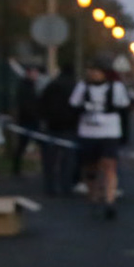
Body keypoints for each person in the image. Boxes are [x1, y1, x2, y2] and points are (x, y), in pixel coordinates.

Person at [69, 63, 133, 220]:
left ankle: (110, 200)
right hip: (88, 132)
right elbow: (73, 104)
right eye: (91, 71)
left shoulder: (116, 87)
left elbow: (124, 106)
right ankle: (93, 195)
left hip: (109, 131)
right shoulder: (82, 87)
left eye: (97, 71)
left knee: (109, 164)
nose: (94, 74)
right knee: (90, 167)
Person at [38, 66, 79, 196]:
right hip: (69, 127)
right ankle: (66, 187)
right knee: (68, 161)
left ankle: (50, 188)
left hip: (51, 127)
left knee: (50, 161)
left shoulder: (51, 86)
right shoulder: (74, 86)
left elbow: (42, 103)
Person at [8, 63, 42, 176]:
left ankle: (17, 168)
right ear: (28, 73)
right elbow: (25, 104)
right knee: (22, 144)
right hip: (27, 120)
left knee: (39, 143)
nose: (36, 75)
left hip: (32, 119)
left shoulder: (33, 86)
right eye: (34, 72)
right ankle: (16, 168)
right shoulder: (24, 87)